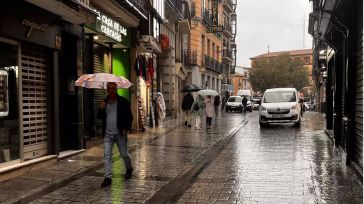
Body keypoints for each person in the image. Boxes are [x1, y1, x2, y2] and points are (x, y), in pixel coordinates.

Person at [97, 82, 133, 187]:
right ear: (107, 90)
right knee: (107, 156)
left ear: (116, 89)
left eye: (113, 88)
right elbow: (99, 117)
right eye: (109, 88)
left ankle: (129, 168)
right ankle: (107, 178)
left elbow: (129, 117)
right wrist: (101, 109)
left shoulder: (123, 101)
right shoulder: (104, 102)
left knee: (124, 154)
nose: (111, 90)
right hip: (108, 134)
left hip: (120, 133)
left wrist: (126, 129)